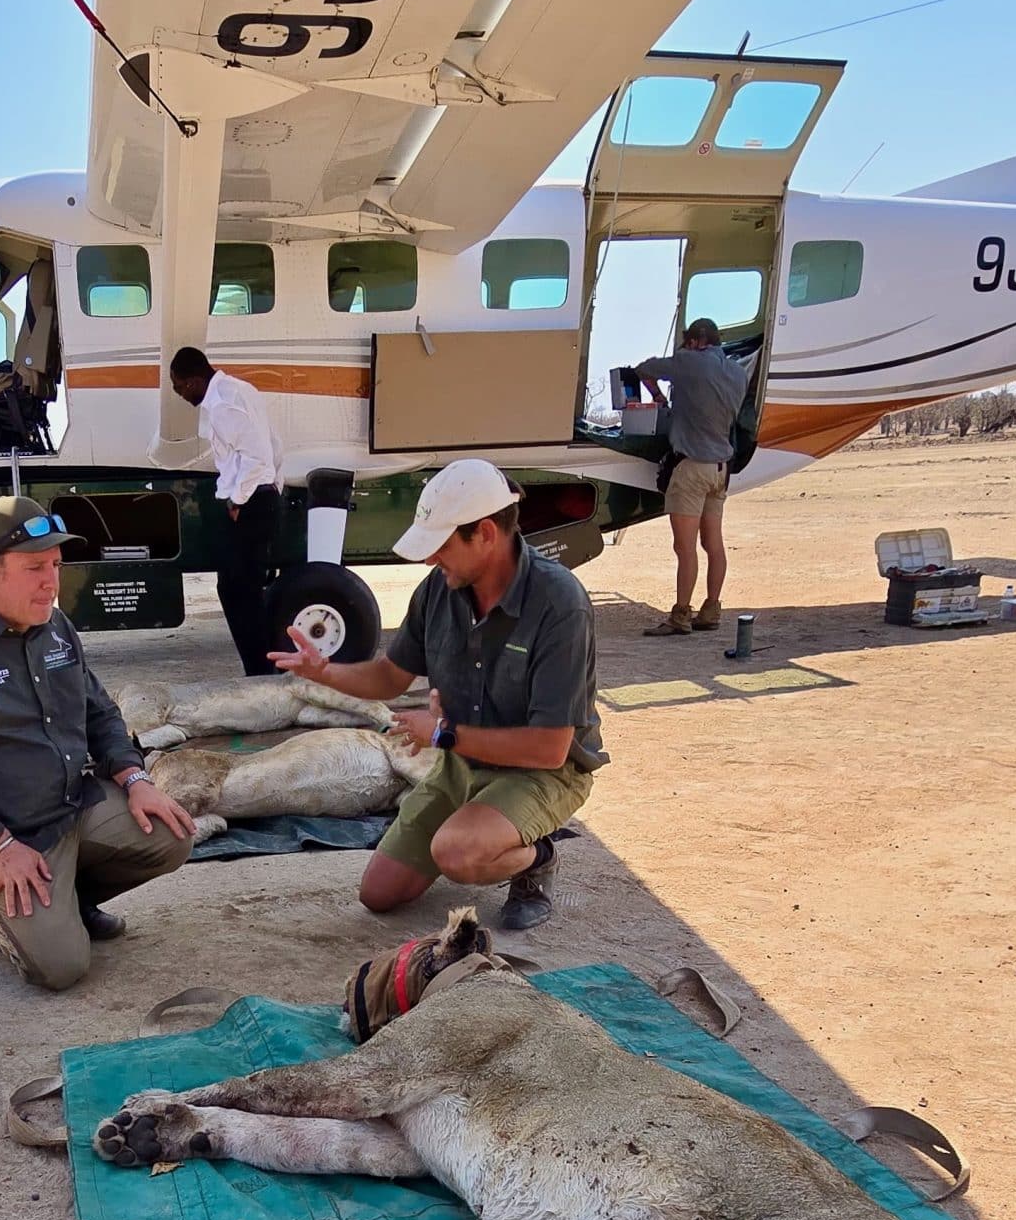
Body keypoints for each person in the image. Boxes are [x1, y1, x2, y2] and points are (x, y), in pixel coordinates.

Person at [271, 458, 605, 932]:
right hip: (461, 764)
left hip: (540, 774)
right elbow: (390, 676)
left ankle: (536, 856)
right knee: (379, 895)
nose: (430, 559)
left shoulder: (559, 603)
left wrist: (445, 735)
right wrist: (323, 671)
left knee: (458, 854)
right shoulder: (439, 590)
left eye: (441, 545)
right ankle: (483, 829)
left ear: (486, 533)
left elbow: (550, 750)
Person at [0, 493, 196, 991]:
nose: (51, 582)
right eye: (34, 567)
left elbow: (98, 710)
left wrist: (135, 777)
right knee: (62, 969)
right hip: (4, 835)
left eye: (55, 565)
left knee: (172, 835)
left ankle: (68, 900)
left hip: (71, 806)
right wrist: (0, 844)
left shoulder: (54, 625)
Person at [167, 346, 286, 676]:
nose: (179, 394)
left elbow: (257, 456)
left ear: (193, 381)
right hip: (261, 496)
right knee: (240, 590)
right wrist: (273, 485)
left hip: (250, 502)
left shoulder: (222, 405)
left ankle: (260, 673)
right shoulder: (242, 389)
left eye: (178, 387)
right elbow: (274, 446)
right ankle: (262, 669)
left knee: (240, 592)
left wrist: (238, 500)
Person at [631, 317, 750, 636]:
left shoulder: (688, 362)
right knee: (714, 543)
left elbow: (644, 368)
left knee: (685, 548)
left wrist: (659, 397)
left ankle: (681, 615)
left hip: (692, 466)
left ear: (696, 341)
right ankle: (711, 609)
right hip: (720, 469)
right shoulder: (737, 373)